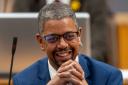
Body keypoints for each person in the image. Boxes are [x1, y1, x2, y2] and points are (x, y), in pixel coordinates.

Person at [13, 1, 123, 85]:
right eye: (53, 38)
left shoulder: (109, 77)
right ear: (41, 41)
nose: (62, 44)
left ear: (79, 35)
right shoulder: (23, 81)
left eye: (69, 36)